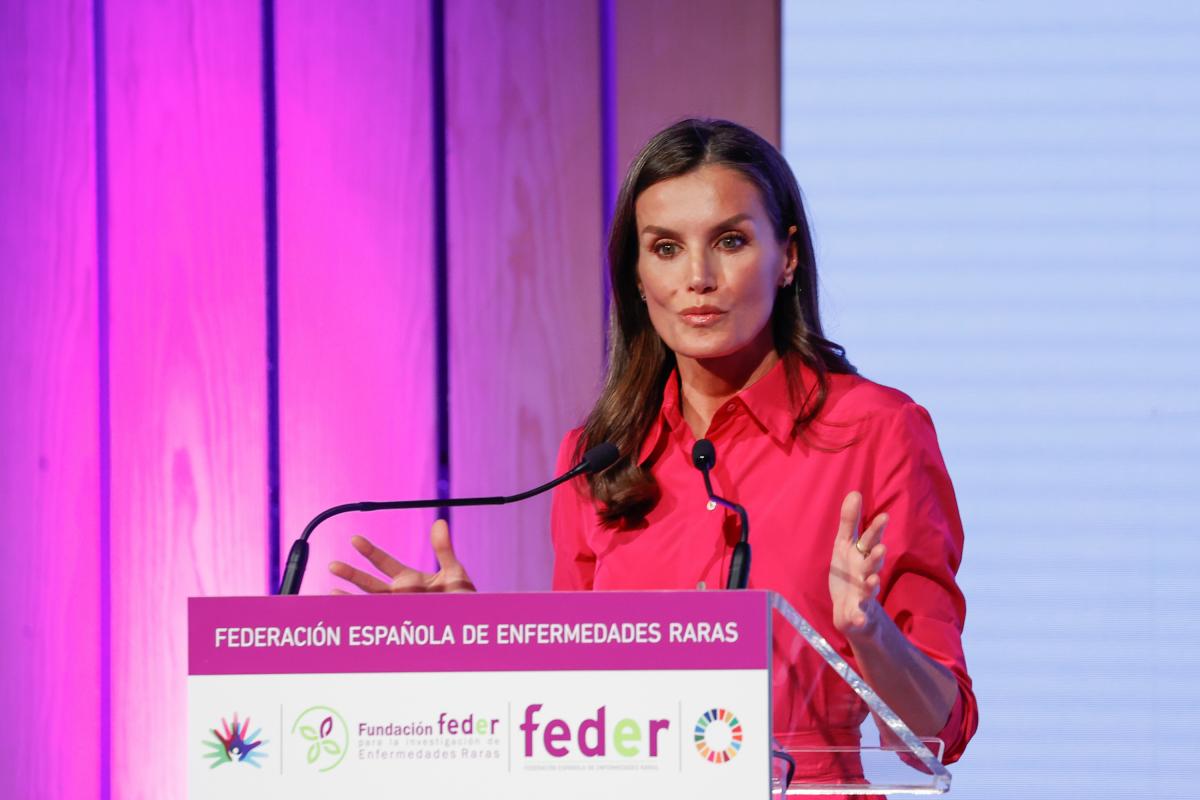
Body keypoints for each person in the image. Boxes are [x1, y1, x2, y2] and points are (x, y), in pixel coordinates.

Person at [330, 118, 978, 785]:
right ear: (637, 276)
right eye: (666, 248)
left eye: (730, 241)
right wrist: (470, 646)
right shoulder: (596, 457)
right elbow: (573, 714)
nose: (698, 277)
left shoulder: (878, 431)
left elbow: (941, 727)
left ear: (787, 258)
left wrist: (871, 633)